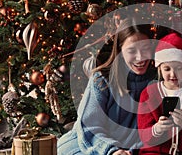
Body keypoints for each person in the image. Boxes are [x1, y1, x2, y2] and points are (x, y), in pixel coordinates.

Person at [57, 18, 156, 155]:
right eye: (132, 51)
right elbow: (89, 127)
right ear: (120, 50)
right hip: (87, 146)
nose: (140, 57)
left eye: (145, 49)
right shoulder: (102, 80)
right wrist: (112, 151)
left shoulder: (158, 81)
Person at [137, 33, 182, 154]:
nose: (173, 74)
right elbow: (144, 136)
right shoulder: (149, 94)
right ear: (159, 69)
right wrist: (157, 129)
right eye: (167, 69)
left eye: (179, 68)